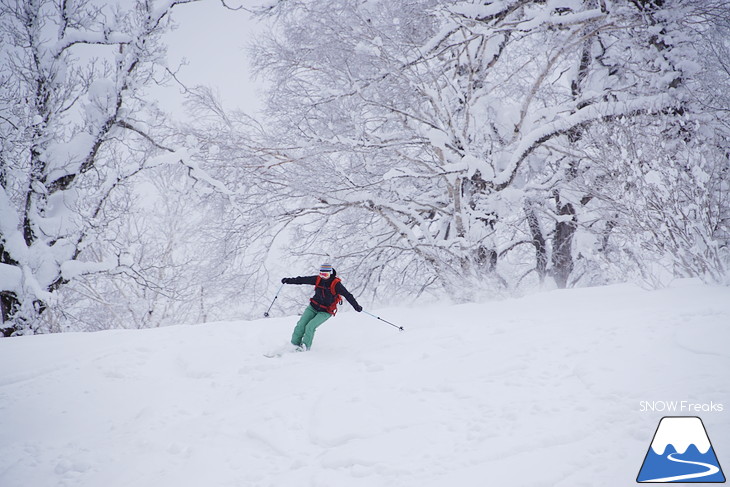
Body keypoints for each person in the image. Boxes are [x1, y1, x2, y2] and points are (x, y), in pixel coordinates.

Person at [281, 263, 362, 351]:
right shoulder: (318, 279)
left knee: (310, 327)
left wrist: (356, 306)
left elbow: (348, 295)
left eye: (326, 274)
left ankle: (305, 347)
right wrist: (288, 280)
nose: (323, 276)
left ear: (330, 273)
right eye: (321, 274)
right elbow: (302, 280)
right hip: (313, 307)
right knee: (301, 325)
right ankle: (294, 345)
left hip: (325, 311)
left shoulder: (336, 284)